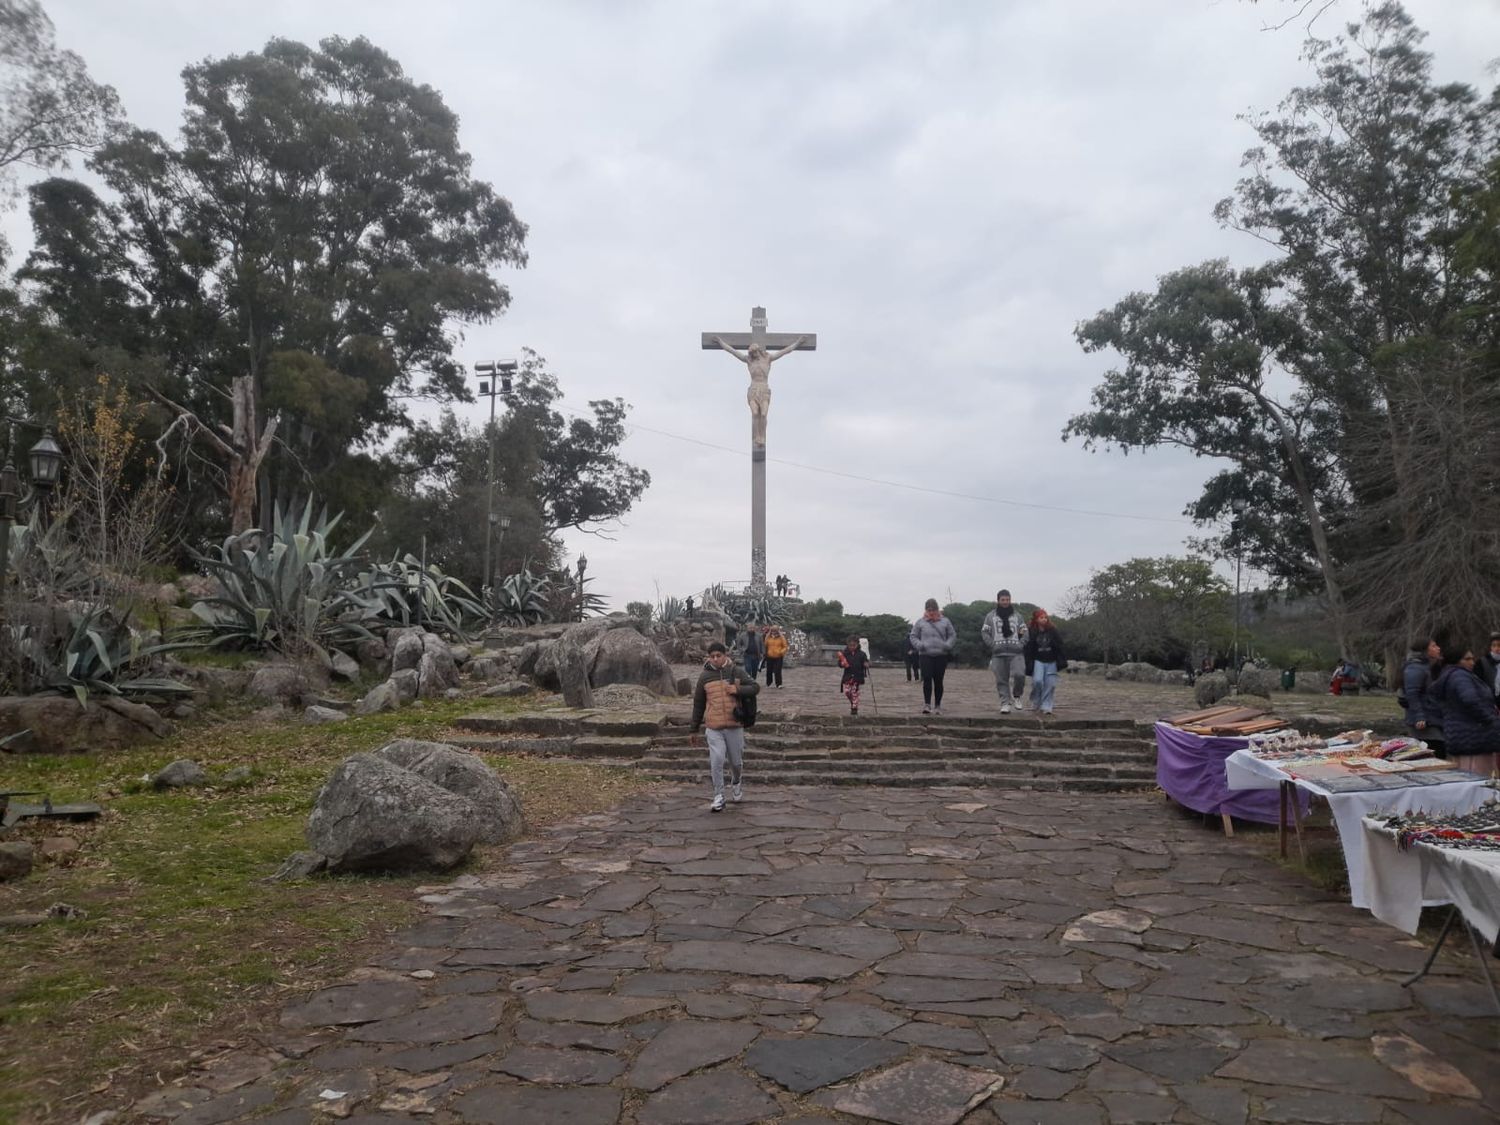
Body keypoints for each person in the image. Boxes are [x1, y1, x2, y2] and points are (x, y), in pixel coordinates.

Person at [689, 641, 761, 811]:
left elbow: (755, 687)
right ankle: (719, 795)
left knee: (736, 762)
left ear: (725, 655)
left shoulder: (736, 672)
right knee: (717, 760)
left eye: (718, 656)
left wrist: (737, 690)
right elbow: (698, 704)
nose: (715, 659)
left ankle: (736, 781)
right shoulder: (704, 677)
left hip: (734, 725)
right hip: (714, 726)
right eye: (712, 656)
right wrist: (694, 729)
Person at [711, 335, 807, 448]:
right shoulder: (748, 361)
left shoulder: (768, 359)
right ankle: (757, 437)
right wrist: (721, 342)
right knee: (755, 413)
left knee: (763, 414)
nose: (754, 355)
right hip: (753, 390)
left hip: (764, 390)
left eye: (755, 352)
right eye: (752, 353)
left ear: (758, 351)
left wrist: (798, 343)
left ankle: (762, 437)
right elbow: (732, 351)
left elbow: (785, 351)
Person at [1430, 644, 1498, 776]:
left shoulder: (1455, 675)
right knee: (1478, 778)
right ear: (1455, 660)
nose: (1472, 662)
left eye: (1472, 659)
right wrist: (1490, 719)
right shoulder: (1460, 676)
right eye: (1467, 659)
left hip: (1464, 734)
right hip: (1473, 737)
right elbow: (1471, 700)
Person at [980, 589, 1028, 715]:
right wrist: (992, 645)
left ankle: (1017, 696)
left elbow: (1025, 632)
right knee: (1001, 680)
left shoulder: (1018, 616)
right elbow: (985, 632)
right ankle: (1005, 703)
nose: (1005, 602)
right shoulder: (990, 616)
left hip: (1016, 653)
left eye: (1007, 599)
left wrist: (1020, 644)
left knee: (1019, 675)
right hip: (998, 653)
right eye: (1003, 600)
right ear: (998, 600)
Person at [909, 597, 957, 715]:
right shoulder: (920, 622)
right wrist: (919, 645)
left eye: (933, 610)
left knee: (938, 681)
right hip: (925, 655)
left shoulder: (945, 621)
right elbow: (913, 636)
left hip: (941, 655)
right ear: (926, 610)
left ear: (937, 610)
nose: (931, 612)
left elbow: (952, 635)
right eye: (929, 610)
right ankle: (927, 704)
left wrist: (947, 645)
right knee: (927, 679)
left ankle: (938, 705)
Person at [1401, 637, 1443, 754]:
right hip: (1423, 720)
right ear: (1424, 650)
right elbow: (1412, 693)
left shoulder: (1428, 666)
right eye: (1434, 646)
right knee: (1433, 749)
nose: (1438, 648)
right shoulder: (1415, 667)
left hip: (1432, 716)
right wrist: (1419, 716)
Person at [1023, 609, 1068, 715]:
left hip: (1051, 661)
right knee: (1037, 681)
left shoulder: (1053, 631)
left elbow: (1060, 645)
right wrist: (1028, 662)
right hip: (1038, 661)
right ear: (1036, 619)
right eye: (1041, 617)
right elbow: (1028, 648)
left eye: (1045, 617)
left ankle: (1046, 706)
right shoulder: (1031, 631)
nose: (1044, 619)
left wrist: (1061, 660)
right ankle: (1036, 701)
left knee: (1050, 684)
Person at [837, 636, 870, 716]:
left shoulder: (862, 654)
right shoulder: (845, 653)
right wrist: (842, 664)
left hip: (857, 676)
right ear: (848, 645)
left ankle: (854, 708)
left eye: (854, 645)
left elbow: (866, 661)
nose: (852, 647)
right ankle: (853, 702)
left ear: (857, 644)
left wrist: (866, 664)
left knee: (854, 692)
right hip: (848, 676)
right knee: (847, 691)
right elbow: (839, 663)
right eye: (850, 645)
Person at [1477, 632, 1500, 706]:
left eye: (1499, 645)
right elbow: (1478, 683)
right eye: (1494, 645)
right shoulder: (1481, 662)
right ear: (1490, 647)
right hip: (1489, 702)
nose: (1497, 648)